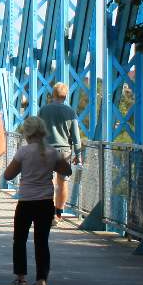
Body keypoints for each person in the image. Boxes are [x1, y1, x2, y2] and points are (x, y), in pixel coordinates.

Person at [3, 117, 72, 285]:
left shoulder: (23, 152)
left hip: (26, 201)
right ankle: (41, 282)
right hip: (45, 202)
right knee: (42, 243)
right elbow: (67, 171)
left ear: (27, 133)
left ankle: (21, 279)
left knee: (19, 240)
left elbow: (8, 175)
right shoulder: (52, 152)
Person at [39, 82, 84, 223]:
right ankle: (58, 214)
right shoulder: (70, 112)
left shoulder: (43, 110)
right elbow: (76, 137)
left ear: (53, 94)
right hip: (64, 151)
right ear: (66, 95)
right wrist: (78, 154)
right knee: (63, 182)